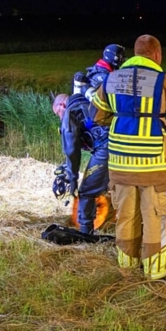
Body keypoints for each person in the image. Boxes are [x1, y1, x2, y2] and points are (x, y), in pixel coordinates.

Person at [91, 35, 166, 279]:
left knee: (125, 217)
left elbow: (95, 114)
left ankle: (127, 269)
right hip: (153, 165)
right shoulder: (162, 81)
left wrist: (124, 117)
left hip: (120, 163)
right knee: (155, 218)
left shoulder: (111, 79)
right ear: (156, 55)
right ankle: (156, 273)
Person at [52, 92, 110, 234]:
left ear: (62, 105)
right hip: (124, 143)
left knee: (86, 192)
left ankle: (85, 231)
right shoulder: (89, 102)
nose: (60, 117)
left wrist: (73, 179)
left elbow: (72, 151)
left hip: (106, 147)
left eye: (58, 113)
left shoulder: (71, 112)